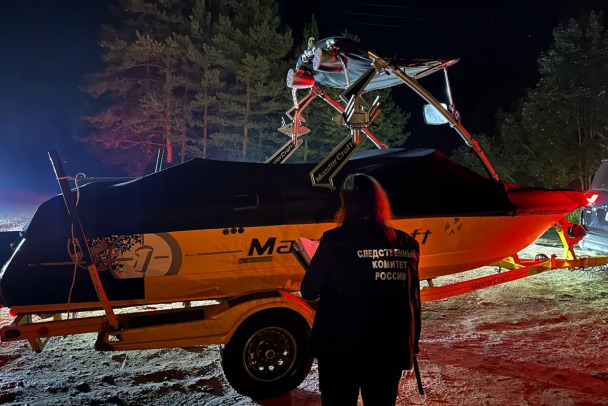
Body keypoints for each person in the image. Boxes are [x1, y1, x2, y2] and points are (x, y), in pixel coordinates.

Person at [300, 173, 421, 406]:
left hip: (342, 349)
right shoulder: (407, 243)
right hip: (390, 347)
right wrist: (412, 343)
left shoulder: (335, 240)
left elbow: (309, 290)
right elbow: (413, 297)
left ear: (348, 202)